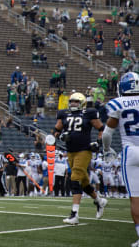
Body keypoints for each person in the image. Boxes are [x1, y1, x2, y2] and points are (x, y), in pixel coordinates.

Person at [53, 92, 107, 225]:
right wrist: (60, 137)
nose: (73, 104)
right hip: (70, 151)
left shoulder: (89, 113)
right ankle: (99, 201)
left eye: (76, 102)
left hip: (84, 150)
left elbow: (102, 128)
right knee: (83, 182)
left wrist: (98, 142)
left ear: (81, 103)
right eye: (71, 101)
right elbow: (55, 131)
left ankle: (74, 214)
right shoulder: (63, 114)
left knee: (75, 178)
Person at [102, 72, 139, 246]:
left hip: (131, 152)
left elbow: (107, 134)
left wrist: (107, 149)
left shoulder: (117, 103)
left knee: (136, 198)